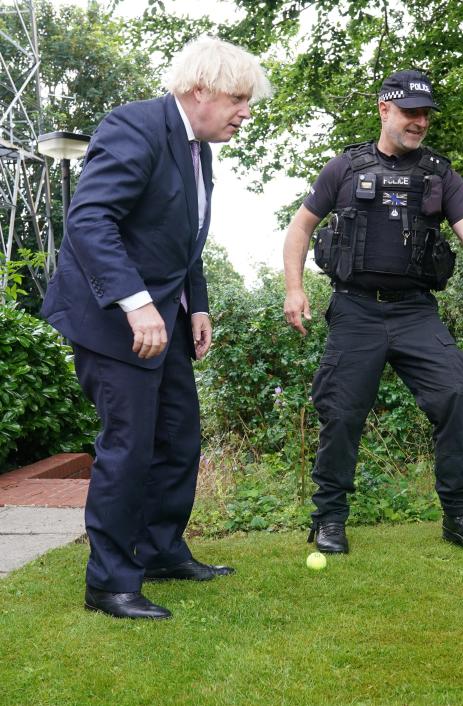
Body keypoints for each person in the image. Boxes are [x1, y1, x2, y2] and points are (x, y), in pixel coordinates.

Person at [41, 37, 271, 619]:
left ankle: (161, 551)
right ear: (201, 90)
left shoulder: (199, 149)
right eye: (239, 98)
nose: (246, 112)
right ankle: (111, 584)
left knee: (177, 437)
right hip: (112, 321)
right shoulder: (135, 127)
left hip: (163, 317)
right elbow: (90, 219)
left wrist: (198, 304)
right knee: (128, 447)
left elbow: (182, 237)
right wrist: (136, 303)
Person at [283, 69, 463, 555]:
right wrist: (294, 288)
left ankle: (461, 517)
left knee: (454, 392)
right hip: (355, 309)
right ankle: (329, 520)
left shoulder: (440, 174)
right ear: (384, 109)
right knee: (341, 413)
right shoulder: (343, 169)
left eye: (426, 113)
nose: (420, 121)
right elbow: (300, 228)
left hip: (415, 312)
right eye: (411, 111)